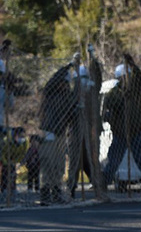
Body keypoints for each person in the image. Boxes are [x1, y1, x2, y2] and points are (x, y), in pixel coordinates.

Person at [102, 54, 141, 194]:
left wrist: (132, 64)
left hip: (136, 131)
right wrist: (120, 100)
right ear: (119, 79)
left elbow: (139, 78)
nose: (126, 79)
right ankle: (103, 185)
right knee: (113, 162)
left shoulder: (136, 90)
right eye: (124, 77)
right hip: (120, 133)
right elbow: (107, 111)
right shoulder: (113, 94)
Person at [39, 63, 76, 205]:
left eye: (67, 83)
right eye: (64, 82)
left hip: (60, 133)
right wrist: (67, 67)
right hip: (48, 131)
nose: (65, 85)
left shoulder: (68, 96)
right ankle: (44, 194)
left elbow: (71, 112)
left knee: (58, 165)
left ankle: (56, 192)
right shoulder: (50, 92)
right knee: (47, 163)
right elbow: (52, 81)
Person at [67, 60, 98, 199]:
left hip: (89, 131)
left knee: (89, 159)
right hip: (75, 132)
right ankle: (72, 187)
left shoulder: (91, 94)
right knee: (75, 160)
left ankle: (96, 183)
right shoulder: (72, 95)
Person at [0, 127, 27, 202]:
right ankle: (4, 191)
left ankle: (13, 190)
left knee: (13, 174)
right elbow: (2, 153)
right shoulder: (6, 141)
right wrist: (6, 162)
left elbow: (22, 154)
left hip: (13, 158)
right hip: (5, 157)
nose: (21, 138)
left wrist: (15, 161)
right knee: (5, 173)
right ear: (15, 135)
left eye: (23, 136)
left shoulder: (24, 142)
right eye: (20, 136)